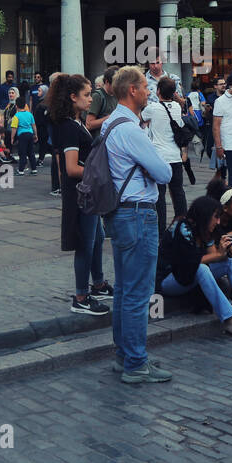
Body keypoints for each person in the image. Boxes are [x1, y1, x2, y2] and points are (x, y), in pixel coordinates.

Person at [100, 67, 173, 384]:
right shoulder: (129, 129)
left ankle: (125, 356)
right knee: (137, 293)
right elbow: (164, 173)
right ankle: (135, 363)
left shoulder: (111, 124)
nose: (148, 91)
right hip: (138, 213)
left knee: (125, 291)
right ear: (131, 90)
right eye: (145, 86)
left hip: (121, 213)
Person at [157, 195, 232, 340]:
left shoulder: (205, 228)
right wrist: (219, 255)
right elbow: (190, 264)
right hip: (169, 279)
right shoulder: (182, 228)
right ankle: (229, 318)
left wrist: (226, 251)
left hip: (188, 274)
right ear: (204, 216)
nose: (217, 222)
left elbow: (213, 255)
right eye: (215, 217)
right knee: (202, 269)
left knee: (230, 262)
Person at [47, 73, 112, 316]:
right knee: (86, 244)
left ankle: (97, 284)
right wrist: (101, 173)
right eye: (86, 95)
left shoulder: (75, 123)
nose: (90, 99)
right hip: (81, 194)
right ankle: (81, 296)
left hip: (86, 193)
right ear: (73, 98)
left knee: (95, 238)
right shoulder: (69, 126)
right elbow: (72, 168)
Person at [142, 77, 187, 232]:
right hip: (175, 156)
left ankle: (160, 229)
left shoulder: (152, 108)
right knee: (178, 191)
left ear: (158, 91)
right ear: (174, 93)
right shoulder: (176, 106)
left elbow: (140, 119)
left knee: (159, 194)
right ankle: (183, 225)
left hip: (159, 157)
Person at [85, 67, 117, 135]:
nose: (118, 87)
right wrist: (111, 117)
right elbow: (89, 124)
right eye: (115, 84)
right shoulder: (98, 96)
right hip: (99, 141)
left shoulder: (116, 96)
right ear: (107, 82)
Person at [11, 96, 37, 175]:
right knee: (31, 152)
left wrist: (12, 138)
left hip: (22, 135)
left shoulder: (16, 116)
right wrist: (35, 134)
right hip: (30, 134)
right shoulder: (30, 114)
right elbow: (34, 125)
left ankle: (21, 170)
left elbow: (14, 128)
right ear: (25, 105)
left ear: (16, 106)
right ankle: (34, 169)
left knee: (22, 153)